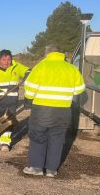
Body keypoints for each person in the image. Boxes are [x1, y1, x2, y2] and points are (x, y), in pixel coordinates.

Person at [23, 45, 85, 177]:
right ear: (61, 54)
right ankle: (51, 169)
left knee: (38, 138)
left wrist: (29, 100)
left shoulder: (41, 67)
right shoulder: (71, 69)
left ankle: (37, 168)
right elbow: (79, 89)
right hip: (63, 111)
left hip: (41, 111)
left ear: (47, 54)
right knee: (57, 140)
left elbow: (29, 89)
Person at [0, 50, 30, 151]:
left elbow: (29, 71)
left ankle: (5, 143)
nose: (7, 62)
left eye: (9, 59)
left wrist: (27, 75)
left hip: (11, 102)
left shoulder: (17, 67)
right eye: (4, 59)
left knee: (8, 122)